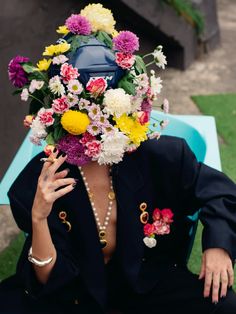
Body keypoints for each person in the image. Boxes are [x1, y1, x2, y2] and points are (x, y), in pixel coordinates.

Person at [1, 3, 236, 314]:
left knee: (224, 304)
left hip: (146, 286)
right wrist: (39, 218)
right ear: (61, 114)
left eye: (108, 113)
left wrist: (218, 246)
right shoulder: (42, 177)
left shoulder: (162, 156)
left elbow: (221, 193)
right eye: (83, 114)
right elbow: (50, 280)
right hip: (75, 292)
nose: (97, 125)